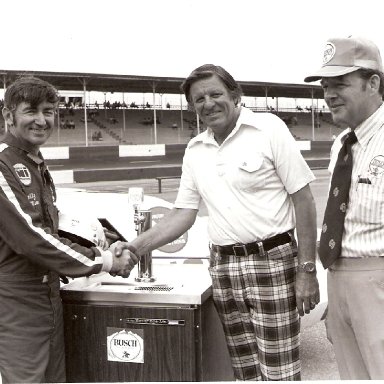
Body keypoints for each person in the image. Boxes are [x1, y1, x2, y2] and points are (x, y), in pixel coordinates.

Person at [115, 64, 320, 380]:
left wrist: (307, 270)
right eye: (199, 99)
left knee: (279, 374)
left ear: (235, 95)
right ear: (191, 106)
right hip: (223, 267)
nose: (208, 104)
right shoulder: (195, 149)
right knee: (244, 373)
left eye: (215, 94)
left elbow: (303, 200)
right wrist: (135, 246)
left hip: (272, 262)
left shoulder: (268, 128)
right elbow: (183, 213)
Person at [0, 76, 138, 383]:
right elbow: (30, 238)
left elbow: (52, 231)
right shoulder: (3, 164)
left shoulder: (35, 163)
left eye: (48, 111)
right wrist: (103, 260)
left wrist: (101, 248)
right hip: (16, 299)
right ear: (8, 115)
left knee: (55, 379)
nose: (41, 120)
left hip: (48, 292)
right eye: (30, 111)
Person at [304, 36, 384, 380]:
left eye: (340, 83)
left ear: (373, 83)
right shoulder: (342, 143)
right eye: (325, 85)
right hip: (339, 276)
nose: (329, 94)